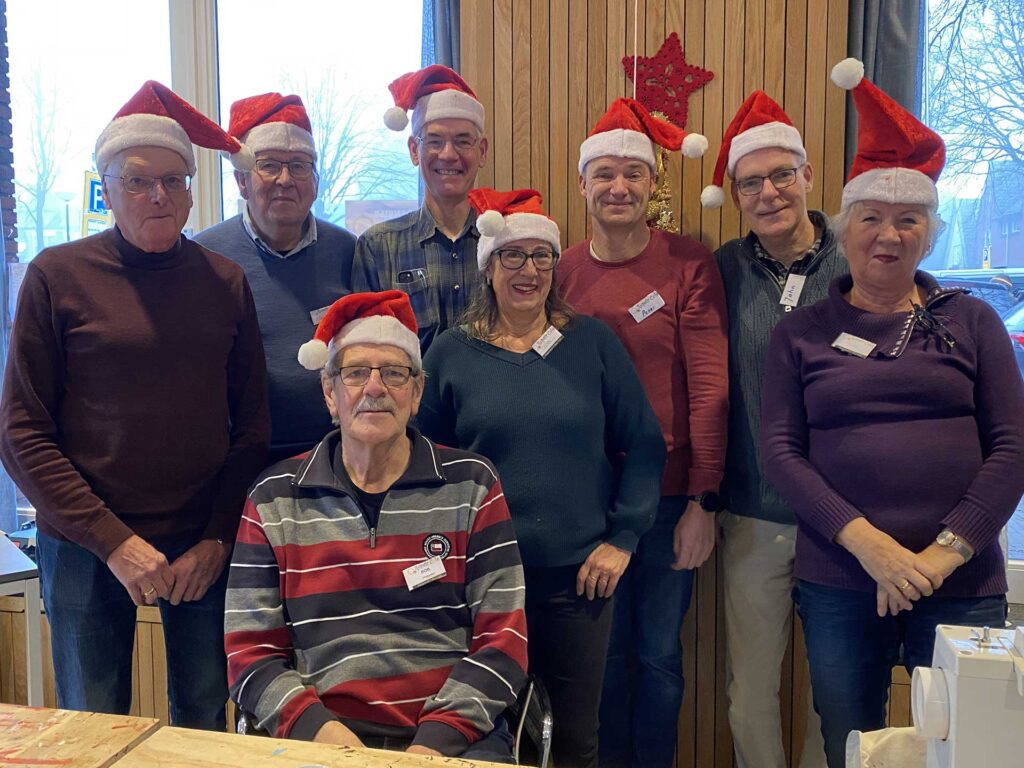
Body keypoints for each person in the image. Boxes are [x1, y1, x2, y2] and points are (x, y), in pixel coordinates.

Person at [760, 58, 1024, 768]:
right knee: (852, 738)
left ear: (929, 234)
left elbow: (1013, 447)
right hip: (843, 575)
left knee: (975, 745)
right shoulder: (801, 333)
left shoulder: (971, 322)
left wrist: (941, 556)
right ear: (844, 233)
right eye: (872, 218)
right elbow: (781, 450)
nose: (889, 235)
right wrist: (869, 546)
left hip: (962, 579)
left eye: (908, 220)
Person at [0, 81, 270, 729]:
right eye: (138, 181)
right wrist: (113, 541)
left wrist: (216, 538)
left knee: (205, 715)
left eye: (174, 180)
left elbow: (252, 424)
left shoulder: (224, 282)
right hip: (87, 544)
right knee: (94, 718)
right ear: (107, 186)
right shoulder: (55, 276)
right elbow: (20, 431)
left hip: (198, 542)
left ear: (190, 188)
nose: (158, 196)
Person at [417, 188, 666, 768]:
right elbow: (422, 460)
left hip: (577, 581)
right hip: (479, 583)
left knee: (575, 739)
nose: (529, 271)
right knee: (486, 736)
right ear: (489, 267)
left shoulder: (592, 342)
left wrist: (623, 537)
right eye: (514, 257)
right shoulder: (452, 352)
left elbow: (645, 443)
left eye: (542, 257)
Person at [225, 290, 526, 763]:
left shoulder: (473, 484)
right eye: (356, 372)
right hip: (323, 736)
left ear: (417, 392)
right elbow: (250, 652)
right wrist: (327, 738)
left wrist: (433, 743)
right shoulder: (273, 497)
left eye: (394, 373)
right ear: (329, 393)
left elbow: (504, 641)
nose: (374, 387)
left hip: (453, 737)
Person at [559, 97, 725, 768]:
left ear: (654, 181)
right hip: (584, 505)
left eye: (633, 172)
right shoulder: (559, 272)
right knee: (600, 658)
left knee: (657, 657)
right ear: (583, 186)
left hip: (666, 501)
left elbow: (710, 387)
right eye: (604, 174)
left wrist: (703, 502)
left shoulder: (689, 265)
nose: (618, 186)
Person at [701, 90, 842, 768]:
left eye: (781, 174)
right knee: (749, 691)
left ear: (808, 176)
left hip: (848, 522)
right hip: (754, 514)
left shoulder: (856, 264)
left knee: (836, 693)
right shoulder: (723, 269)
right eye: (750, 182)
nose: (769, 192)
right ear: (735, 195)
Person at [195, 92, 356, 464]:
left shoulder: (347, 251)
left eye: (299, 166)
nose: (285, 180)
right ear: (241, 181)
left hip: (336, 454)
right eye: (268, 166)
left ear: (314, 182)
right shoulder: (205, 257)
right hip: (237, 460)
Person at [353, 65, 488, 352]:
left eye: (463, 141)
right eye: (435, 141)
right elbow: (366, 351)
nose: (449, 155)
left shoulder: (505, 243)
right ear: (414, 151)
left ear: (482, 152)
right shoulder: (378, 247)